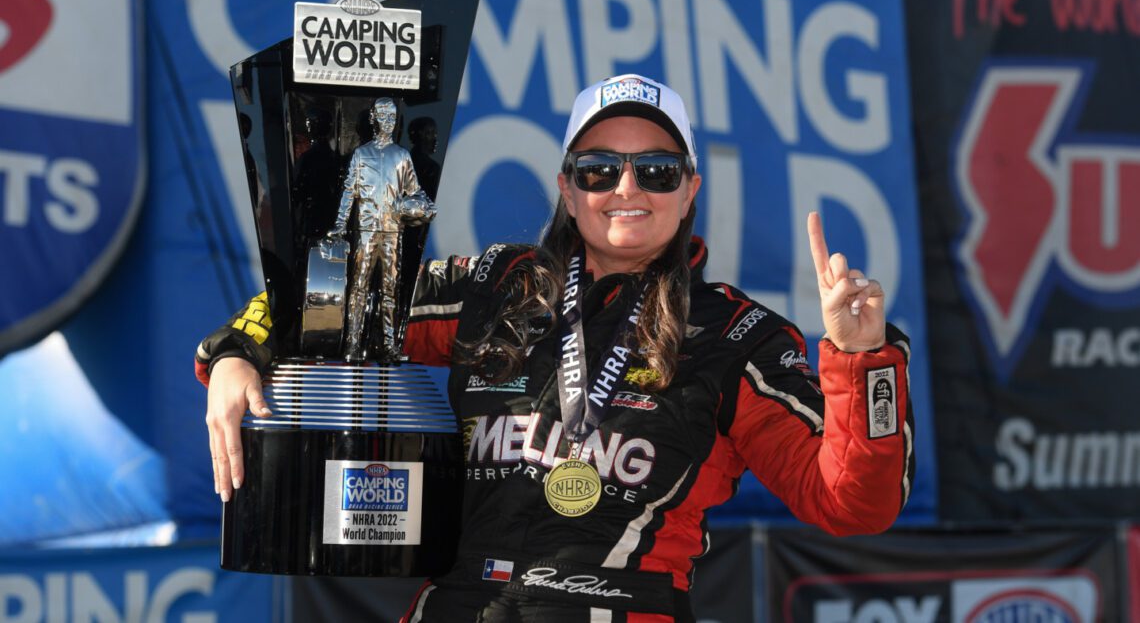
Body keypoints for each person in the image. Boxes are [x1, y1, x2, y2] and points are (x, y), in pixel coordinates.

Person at [196, 74, 915, 622]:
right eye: (600, 169)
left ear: (689, 189)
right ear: (568, 189)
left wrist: (862, 362)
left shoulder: (735, 336)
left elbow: (854, 504)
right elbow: (336, 303)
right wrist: (237, 354)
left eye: (656, 171)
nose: (625, 188)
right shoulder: (495, 286)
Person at [330, 97, 436, 361]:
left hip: (393, 232)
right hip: (365, 232)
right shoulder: (360, 154)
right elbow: (348, 193)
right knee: (358, 288)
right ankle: (353, 344)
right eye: (383, 116)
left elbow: (417, 192)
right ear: (373, 119)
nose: (388, 122)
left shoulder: (402, 156)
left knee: (391, 289)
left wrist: (422, 208)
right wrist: (340, 224)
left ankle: (389, 346)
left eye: (392, 117)